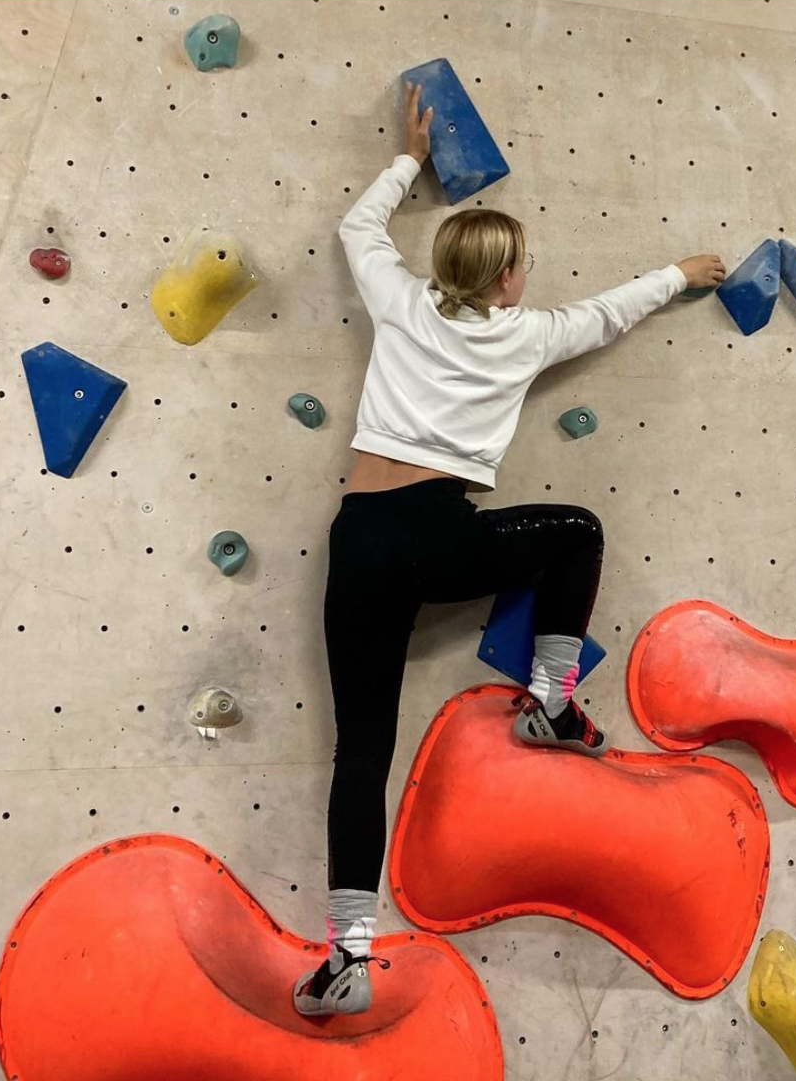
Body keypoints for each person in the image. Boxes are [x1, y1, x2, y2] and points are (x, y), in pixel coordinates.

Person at [294, 82, 726, 1017]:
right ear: (502, 280)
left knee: (361, 750)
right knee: (577, 532)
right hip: (439, 537)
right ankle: (548, 704)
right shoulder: (526, 335)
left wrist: (409, 155)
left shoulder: (400, 300)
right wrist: (678, 275)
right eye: (520, 265)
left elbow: (356, 231)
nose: (525, 277)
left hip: (360, 540)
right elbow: (609, 314)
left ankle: (349, 957)